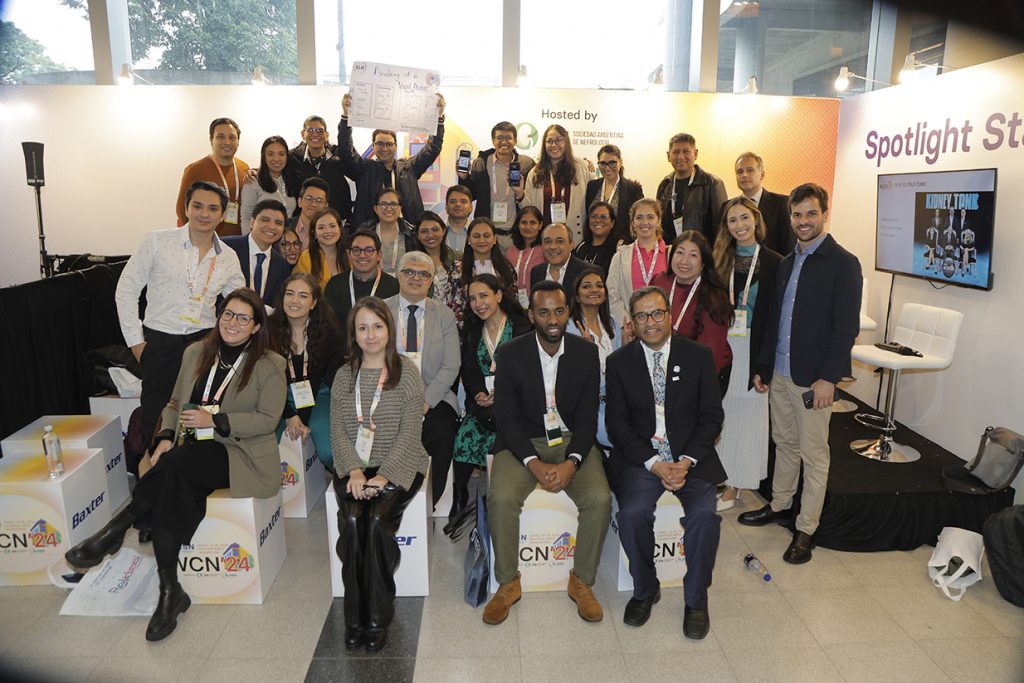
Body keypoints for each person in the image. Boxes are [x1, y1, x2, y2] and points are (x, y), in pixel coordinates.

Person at [66, 288, 285, 641]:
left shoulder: (270, 364)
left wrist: (215, 421)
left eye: (244, 318)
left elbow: (267, 419)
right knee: (174, 479)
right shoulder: (196, 352)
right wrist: (166, 436)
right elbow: (174, 403)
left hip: (240, 453)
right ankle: (170, 591)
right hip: (191, 449)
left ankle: (117, 528)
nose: (233, 323)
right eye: (228, 314)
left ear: (257, 327)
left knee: (178, 465)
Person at [738, 184, 862, 566]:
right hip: (780, 372)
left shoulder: (844, 263)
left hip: (813, 381)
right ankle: (779, 505)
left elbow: (846, 328)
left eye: (811, 213)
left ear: (825, 213)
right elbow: (773, 320)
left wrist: (829, 378)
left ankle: (806, 529)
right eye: (797, 214)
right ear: (789, 216)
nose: (803, 221)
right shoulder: (787, 262)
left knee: (814, 455)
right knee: (785, 444)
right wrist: (763, 367)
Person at [484, 280, 611, 626]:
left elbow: (587, 418)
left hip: (571, 440)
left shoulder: (586, 353)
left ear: (567, 311)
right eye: (543, 312)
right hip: (523, 441)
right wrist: (533, 463)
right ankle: (507, 583)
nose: (552, 320)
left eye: (558, 311)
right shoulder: (510, 354)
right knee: (501, 497)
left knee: (600, 498)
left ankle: (581, 581)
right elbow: (505, 419)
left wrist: (573, 461)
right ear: (531, 315)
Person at [605, 286, 725, 638]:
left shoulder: (698, 356)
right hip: (642, 459)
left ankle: (696, 600)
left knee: (704, 516)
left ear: (670, 316)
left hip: (691, 458)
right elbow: (617, 425)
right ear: (632, 322)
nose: (651, 322)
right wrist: (655, 464)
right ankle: (645, 589)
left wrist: (685, 461)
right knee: (632, 514)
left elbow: (711, 417)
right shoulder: (619, 362)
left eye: (657, 313)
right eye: (642, 316)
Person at [115, 181, 245, 452]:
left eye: (213, 208)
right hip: (161, 343)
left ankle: (189, 472)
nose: (204, 214)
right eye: (197, 206)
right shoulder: (156, 241)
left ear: (223, 215)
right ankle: (151, 470)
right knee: (155, 420)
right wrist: (137, 344)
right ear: (186, 208)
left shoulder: (228, 257)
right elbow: (126, 291)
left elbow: (242, 304)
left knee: (197, 420)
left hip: (205, 345)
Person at [330, 296, 428, 652]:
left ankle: (377, 617)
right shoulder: (344, 375)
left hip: (400, 463)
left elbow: (410, 432)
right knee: (354, 520)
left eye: (377, 326)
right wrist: (355, 472)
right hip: (354, 465)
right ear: (353, 334)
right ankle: (354, 617)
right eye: (362, 328)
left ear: (389, 329)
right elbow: (338, 430)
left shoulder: (407, 372)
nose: (370, 335)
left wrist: (384, 476)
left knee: (375, 523)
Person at [711, 198, 782, 510]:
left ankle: (736, 484)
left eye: (744, 218)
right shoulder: (719, 260)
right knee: (722, 414)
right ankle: (722, 477)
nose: (739, 225)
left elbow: (775, 319)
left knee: (748, 417)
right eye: (732, 220)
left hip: (754, 347)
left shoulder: (775, 262)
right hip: (723, 344)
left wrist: (764, 366)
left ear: (756, 219)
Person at [450, 274, 532, 516]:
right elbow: (470, 370)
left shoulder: (522, 327)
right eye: (472, 299)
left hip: (518, 405)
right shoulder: (473, 331)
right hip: (485, 406)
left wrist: (502, 394)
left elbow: (529, 372)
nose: (478, 303)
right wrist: (478, 393)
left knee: (501, 439)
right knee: (464, 435)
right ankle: (459, 493)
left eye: (483, 295)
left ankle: (497, 498)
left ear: (498, 295)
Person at [385, 252, 461, 509]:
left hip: (434, 395)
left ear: (431, 280)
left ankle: (428, 503)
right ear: (398, 275)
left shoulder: (444, 315)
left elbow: (451, 365)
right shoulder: (379, 310)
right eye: (409, 272)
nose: (416, 278)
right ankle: (388, 502)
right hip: (389, 393)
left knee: (441, 432)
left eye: (423, 274)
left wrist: (426, 401)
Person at [269, 273, 344, 469]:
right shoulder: (268, 331)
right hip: (278, 398)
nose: (294, 300)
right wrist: (289, 415)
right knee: (268, 454)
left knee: (329, 452)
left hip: (318, 395)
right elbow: (266, 383)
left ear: (313, 303)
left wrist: (302, 419)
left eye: (303, 295)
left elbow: (331, 377)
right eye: (290, 294)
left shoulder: (328, 331)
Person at [339, 92, 447, 226]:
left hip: (407, 230)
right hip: (370, 232)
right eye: (380, 143)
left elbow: (433, 148)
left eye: (389, 144)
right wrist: (346, 116)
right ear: (373, 146)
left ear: (396, 146)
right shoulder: (364, 169)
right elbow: (345, 150)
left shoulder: (410, 168)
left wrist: (438, 117)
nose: (384, 148)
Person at [653, 230, 733, 393]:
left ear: (703, 263)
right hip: (665, 367)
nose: (684, 261)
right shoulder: (659, 282)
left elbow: (711, 354)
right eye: (680, 252)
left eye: (693, 255)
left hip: (702, 373)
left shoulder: (713, 297)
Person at [565, 267, 621, 450]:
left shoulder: (612, 323)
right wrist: (586, 352)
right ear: (577, 296)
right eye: (586, 286)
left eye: (599, 286)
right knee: (611, 434)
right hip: (588, 402)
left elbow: (620, 368)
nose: (594, 290)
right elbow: (571, 376)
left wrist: (627, 347)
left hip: (615, 398)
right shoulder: (569, 327)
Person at [459, 121, 535, 245]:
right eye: (499, 138)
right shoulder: (481, 163)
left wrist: (520, 194)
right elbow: (470, 195)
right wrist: (464, 178)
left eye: (508, 138)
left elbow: (532, 204)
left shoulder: (526, 165)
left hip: (517, 236)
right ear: (493, 141)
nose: (504, 142)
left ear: (515, 141)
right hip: (487, 236)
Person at [324, 229, 400, 346]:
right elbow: (327, 327)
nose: (362, 255)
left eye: (369, 250)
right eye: (356, 250)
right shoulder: (334, 285)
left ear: (379, 256)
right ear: (349, 255)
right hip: (342, 352)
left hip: (381, 351)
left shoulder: (393, 286)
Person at [175, 118, 250, 236]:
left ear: (238, 141)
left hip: (238, 240)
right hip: (206, 240)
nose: (227, 142)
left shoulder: (244, 168)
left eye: (232, 137)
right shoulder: (195, 170)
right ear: (211, 140)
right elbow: (181, 209)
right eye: (221, 137)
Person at [522, 124, 593, 243]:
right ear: (544, 145)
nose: (554, 145)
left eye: (559, 140)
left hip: (574, 237)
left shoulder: (581, 167)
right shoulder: (535, 173)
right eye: (549, 141)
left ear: (566, 142)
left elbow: (593, 197)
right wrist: (520, 194)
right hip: (545, 239)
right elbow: (529, 209)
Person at [655, 133, 727, 244]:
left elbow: (721, 228)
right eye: (676, 152)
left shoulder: (712, 184)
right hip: (672, 252)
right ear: (668, 156)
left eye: (686, 151)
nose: (681, 157)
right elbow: (659, 225)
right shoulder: (665, 185)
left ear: (695, 154)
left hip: (702, 252)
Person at [607, 198, 668, 324]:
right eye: (639, 217)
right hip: (631, 327)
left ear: (658, 221)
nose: (644, 222)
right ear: (633, 223)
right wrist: (630, 324)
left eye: (650, 217)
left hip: (665, 325)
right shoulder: (620, 257)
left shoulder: (672, 255)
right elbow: (612, 295)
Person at [222, 199, 291, 306]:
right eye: (265, 220)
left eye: (278, 223)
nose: (272, 227)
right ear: (252, 222)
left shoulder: (283, 266)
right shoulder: (226, 247)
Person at [289, 115, 352, 222]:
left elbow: (355, 168)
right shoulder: (292, 158)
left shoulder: (338, 154)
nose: (315, 134)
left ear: (326, 135)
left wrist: (346, 118)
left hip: (336, 221)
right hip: (304, 221)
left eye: (320, 131)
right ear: (303, 134)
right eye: (310, 130)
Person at [732, 152, 795, 255]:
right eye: (739, 171)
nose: (744, 175)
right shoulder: (728, 207)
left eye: (750, 170)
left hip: (773, 264)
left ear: (762, 175)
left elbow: (789, 247)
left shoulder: (782, 203)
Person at [584, 144, 644, 244]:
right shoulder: (592, 186)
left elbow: (639, 220)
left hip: (621, 246)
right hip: (595, 244)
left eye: (612, 163)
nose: (607, 168)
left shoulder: (632, 189)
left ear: (620, 162)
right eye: (603, 163)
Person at [415, 211, 465, 327]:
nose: (430, 235)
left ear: (443, 231)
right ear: (417, 236)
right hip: (426, 321)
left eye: (435, 230)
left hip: (457, 321)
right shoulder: (413, 263)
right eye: (424, 231)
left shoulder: (458, 258)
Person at [240, 136, 297, 229]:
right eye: (271, 154)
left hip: (286, 236)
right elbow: (246, 217)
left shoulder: (291, 180)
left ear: (287, 156)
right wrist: (248, 238)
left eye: (281, 154)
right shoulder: (253, 181)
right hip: (262, 234)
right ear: (264, 157)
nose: (276, 159)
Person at [528, 223, 589, 309]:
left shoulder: (587, 272)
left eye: (560, 241)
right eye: (547, 241)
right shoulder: (536, 272)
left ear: (571, 245)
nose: (553, 247)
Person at [458, 217, 518, 302]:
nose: (482, 240)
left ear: (494, 239)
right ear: (468, 239)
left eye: (486, 236)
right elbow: (454, 304)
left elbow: (513, 301)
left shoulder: (506, 267)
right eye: (476, 236)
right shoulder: (458, 269)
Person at [361, 187, 418, 276]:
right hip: (372, 282)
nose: (388, 208)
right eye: (383, 204)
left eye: (393, 204)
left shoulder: (412, 233)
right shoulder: (364, 233)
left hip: (404, 283)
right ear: (375, 209)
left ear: (400, 208)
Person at [294, 208, 347, 290]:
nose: (328, 231)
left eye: (332, 226)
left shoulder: (351, 256)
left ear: (340, 229)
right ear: (314, 233)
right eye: (321, 228)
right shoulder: (306, 258)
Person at [505, 206, 546, 309]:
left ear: (540, 225)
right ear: (518, 225)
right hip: (513, 306)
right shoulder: (510, 252)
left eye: (533, 223)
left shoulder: (545, 251)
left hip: (539, 305)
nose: (528, 227)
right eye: (524, 223)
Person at [573, 201, 620, 275]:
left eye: (603, 217)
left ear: (612, 223)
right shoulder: (581, 247)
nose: (598, 220)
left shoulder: (619, 247)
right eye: (593, 216)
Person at [289, 177, 330, 251]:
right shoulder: (285, 227)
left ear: (326, 206)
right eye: (309, 199)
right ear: (299, 202)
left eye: (319, 201)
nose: (313, 204)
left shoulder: (332, 232)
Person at [444, 185, 474, 256]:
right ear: (446, 207)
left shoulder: (478, 232)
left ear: (471, 207)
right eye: (453, 202)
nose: (458, 204)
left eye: (463, 202)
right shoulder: (437, 232)